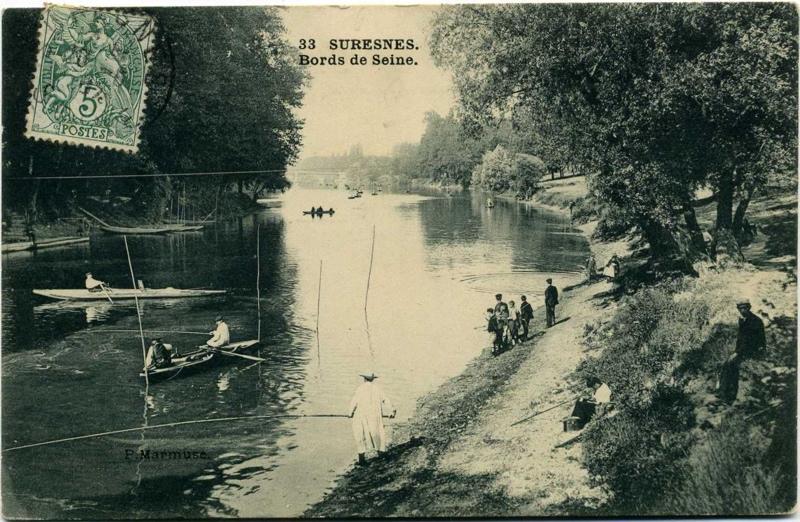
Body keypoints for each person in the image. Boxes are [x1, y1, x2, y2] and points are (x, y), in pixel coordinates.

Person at [717, 300, 767, 404]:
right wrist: (736, 352)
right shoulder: (744, 320)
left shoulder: (754, 321)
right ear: (738, 309)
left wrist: (737, 353)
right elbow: (741, 340)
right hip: (744, 350)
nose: (743, 310)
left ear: (749, 308)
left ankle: (728, 396)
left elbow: (750, 341)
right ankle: (724, 394)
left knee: (731, 365)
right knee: (727, 364)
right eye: (741, 308)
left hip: (753, 351)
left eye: (745, 308)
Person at [349, 371, 396, 465]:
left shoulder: (360, 389)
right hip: (374, 415)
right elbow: (386, 400)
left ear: (364, 379)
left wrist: (350, 413)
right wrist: (391, 411)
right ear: (373, 379)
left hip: (361, 415)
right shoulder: (377, 389)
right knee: (377, 432)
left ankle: (362, 460)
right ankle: (381, 453)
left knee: (360, 435)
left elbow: (354, 402)